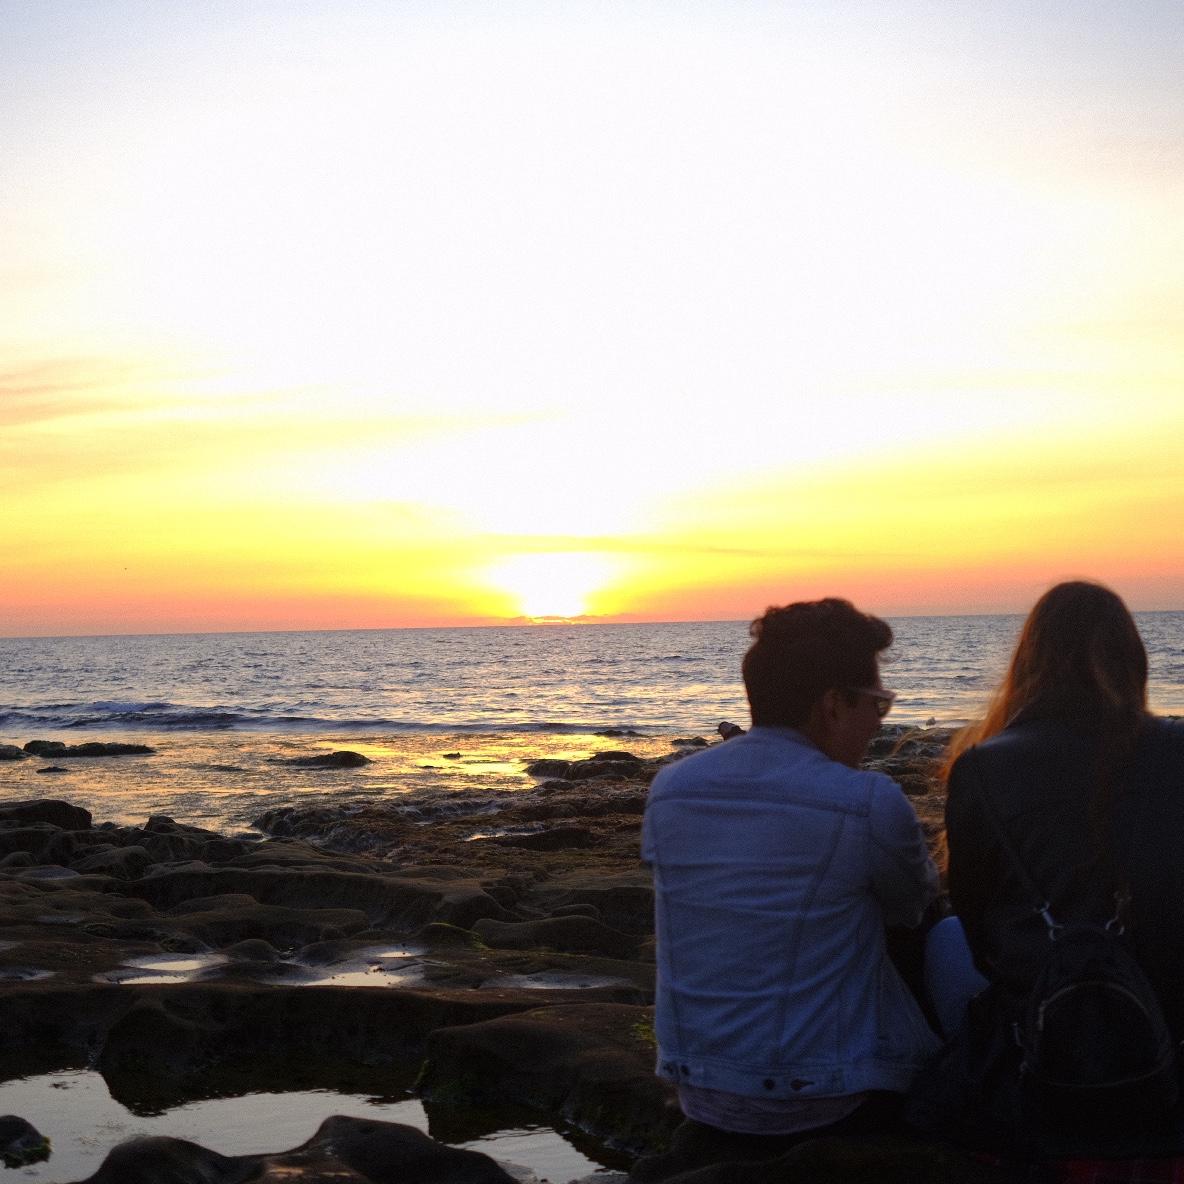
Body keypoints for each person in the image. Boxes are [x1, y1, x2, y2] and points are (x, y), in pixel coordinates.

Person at [635, 598, 939, 1180]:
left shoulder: (671, 787)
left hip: (699, 1085)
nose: (881, 722)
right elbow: (911, 910)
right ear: (833, 704)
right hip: (829, 1095)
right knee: (943, 935)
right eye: (878, 704)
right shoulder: (867, 801)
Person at [916, 580, 1184, 1161]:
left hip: (1041, 1021)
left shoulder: (982, 767)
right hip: (1170, 1015)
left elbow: (981, 937)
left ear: (1027, 662)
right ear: (1133, 657)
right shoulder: (1175, 749)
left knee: (943, 939)